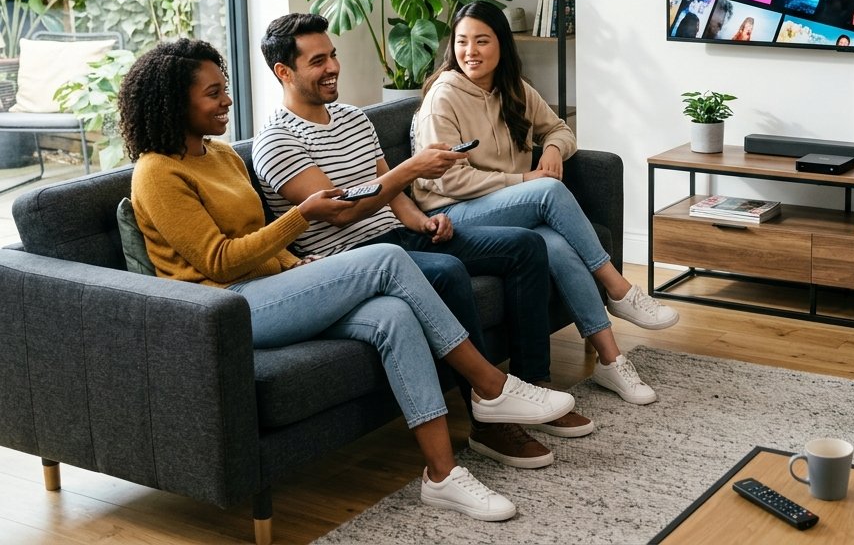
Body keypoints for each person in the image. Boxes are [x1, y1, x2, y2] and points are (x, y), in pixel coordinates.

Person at [119, 38, 576, 522]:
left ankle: (442, 476)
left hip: (272, 289)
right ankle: (492, 386)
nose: (227, 100)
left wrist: (299, 267)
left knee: (394, 316)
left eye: (225, 88)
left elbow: (256, 241)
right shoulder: (156, 173)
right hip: (225, 310)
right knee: (385, 260)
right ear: (175, 102)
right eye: (213, 94)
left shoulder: (222, 156)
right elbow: (220, 262)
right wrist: (301, 218)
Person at [252, 13, 589, 470]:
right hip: (350, 261)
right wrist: (410, 170)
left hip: (399, 237)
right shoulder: (277, 139)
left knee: (524, 247)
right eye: (318, 61)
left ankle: (532, 386)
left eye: (332, 55)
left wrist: (420, 222)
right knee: (449, 274)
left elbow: (388, 193)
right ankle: (490, 424)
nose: (333, 67)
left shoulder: (352, 117)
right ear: (284, 72)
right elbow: (345, 210)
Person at [413, 2, 681, 406]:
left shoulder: (514, 88)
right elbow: (448, 178)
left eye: (482, 41)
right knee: (549, 192)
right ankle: (619, 289)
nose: (471, 51)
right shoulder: (444, 97)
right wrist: (525, 180)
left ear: (502, 44)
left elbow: (559, 128)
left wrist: (554, 148)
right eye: (462, 41)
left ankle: (611, 360)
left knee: (556, 246)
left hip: (504, 206)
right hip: (450, 212)